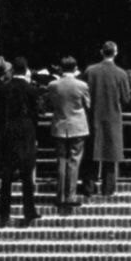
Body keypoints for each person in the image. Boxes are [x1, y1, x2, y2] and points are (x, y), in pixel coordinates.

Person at [0, 57, 43, 226]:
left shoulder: (4, 89)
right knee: (27, 174)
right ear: (26, 69)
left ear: (13, 70)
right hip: (26, 132)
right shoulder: (32, 90)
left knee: (6, 175)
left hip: (8, 131)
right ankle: (29, 210)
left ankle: (4, 212)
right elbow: (37, 113)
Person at [86, 40, 131, 196]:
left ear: (101, 52)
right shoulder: (121, 73)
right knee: (110, 153)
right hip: (113, 116)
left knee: (92, 152)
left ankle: (89, 187)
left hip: (94, 116)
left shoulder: (90, 71)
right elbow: (126, 99)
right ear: (116, 53)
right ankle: (108, 188)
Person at [48, 55, 92, 211]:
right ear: (75, 68)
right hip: (78, 126)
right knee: (74, 160)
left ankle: (60, 195)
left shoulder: (53, 85)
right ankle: (70, 195)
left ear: (60, 68)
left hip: (60, 124)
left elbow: (51, 103)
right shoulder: (82, 85)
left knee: (61, 160)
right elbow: (88, 104)